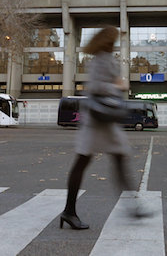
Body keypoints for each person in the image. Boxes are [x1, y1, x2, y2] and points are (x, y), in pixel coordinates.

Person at [61, 25, 146, 230]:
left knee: (115, 158)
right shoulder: (102, 59)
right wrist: (119, 85)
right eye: (114, 39)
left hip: (102, 121)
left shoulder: (103, 57)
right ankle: (69, 212)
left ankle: (132, 207)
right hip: (97, 122)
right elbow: (96, 87)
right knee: (89, 162)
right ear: (108, 41)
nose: (116, 43)